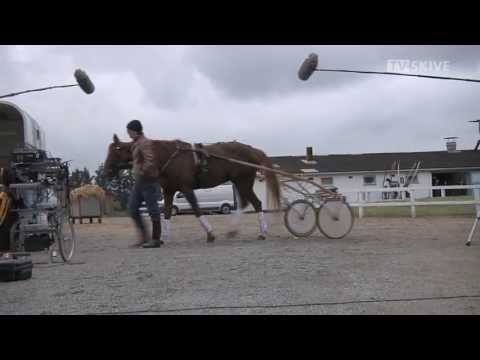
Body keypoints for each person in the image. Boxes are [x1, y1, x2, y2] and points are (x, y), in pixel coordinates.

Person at [126, 120, 162, 248]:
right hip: (140, 181)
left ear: (135, 130)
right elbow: (139, 160)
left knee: (153, 210)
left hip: (148, 180)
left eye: (129, 131)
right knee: (132, 208)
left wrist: (141, 170)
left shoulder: (144, 143)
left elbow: (150, 160)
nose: (128, 134)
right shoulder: (136, 143)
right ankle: (144, 237)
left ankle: (156, 239)